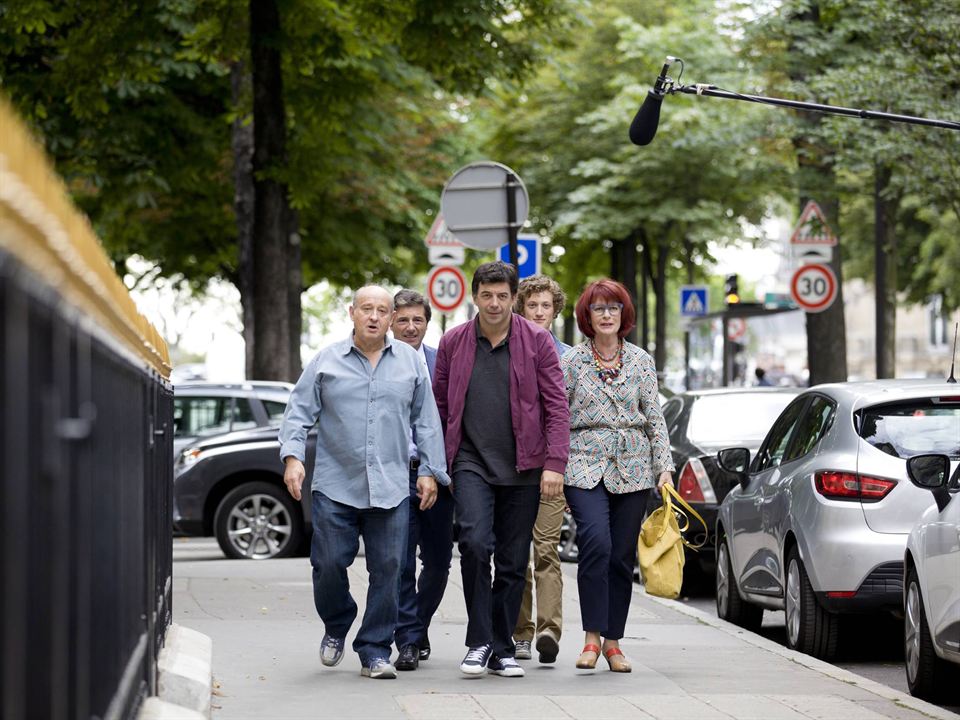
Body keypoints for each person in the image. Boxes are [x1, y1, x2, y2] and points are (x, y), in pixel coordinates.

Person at [278, 286, 449, 680]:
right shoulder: (325, 361)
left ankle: (374, 649)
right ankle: (337, 623)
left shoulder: (410, 362)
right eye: (367, 309)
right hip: (336, 484)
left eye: (383, 310)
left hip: (391, 485)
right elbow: (298, 413)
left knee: (389, 569)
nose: (374, 316)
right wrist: (292, 459)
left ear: (391, 317)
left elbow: (426, 422)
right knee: (328, 564)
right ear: (352, 312)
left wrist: (428, 471)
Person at [433, 261, 570, 678]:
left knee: (513, 561)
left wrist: (554, 463)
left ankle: (502, 647)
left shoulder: (537, 342)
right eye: (487, 295)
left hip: (526, 466)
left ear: (514, 299)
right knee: (475, 544)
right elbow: (438, 408)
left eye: (502, 296)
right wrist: (437, 463)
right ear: (475, 297)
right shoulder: (454, 343)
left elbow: (556, 405)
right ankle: (478, 642)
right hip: (470, 461)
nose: (494, 303)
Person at [561, 278, 674, 673]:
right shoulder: (572, 361)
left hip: (634, 468)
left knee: (622, 556)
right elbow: (558, 417)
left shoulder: (641, 360)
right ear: (587, 316)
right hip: (584, 464)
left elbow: (655, 418)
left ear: (624, 314)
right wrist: (552, 465)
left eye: (614, 308)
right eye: (598, 308)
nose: (606, 314)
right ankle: (591, 638)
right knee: (596, 543)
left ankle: (613, 643)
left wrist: (665, 467)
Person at [389, 289, 454, 671]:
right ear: (391, 323)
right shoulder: (381, 362)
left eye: (418, 320)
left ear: (427, 323)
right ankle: (408, 639)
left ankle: (419, 624)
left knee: (439, 561)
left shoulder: (440, 362)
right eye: (403, 320)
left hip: (439, 477)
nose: (411, 327)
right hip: (397, 476)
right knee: (400, 563)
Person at [511, 275, 571, 664]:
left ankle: (549, 630)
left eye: (545, 306)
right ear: (521, 308)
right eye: (531, 305)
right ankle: (521, 632)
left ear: (555, 310)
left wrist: (560, 463)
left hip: (552, 468)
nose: (538, 312)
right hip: (515, 468)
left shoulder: (569, 358)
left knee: (546, 548)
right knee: (516, 554)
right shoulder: (509, 350)